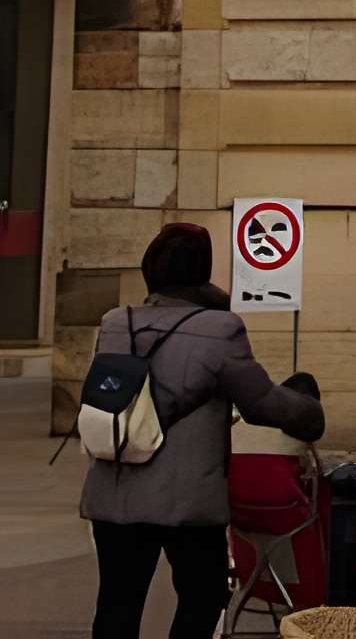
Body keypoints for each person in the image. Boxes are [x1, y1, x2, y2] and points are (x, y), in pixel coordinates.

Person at [81, 221, 325, 639]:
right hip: (186, 499)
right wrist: (309, 411)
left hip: (116, 489)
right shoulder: (220, 329)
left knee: (118, 603)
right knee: (204, 595)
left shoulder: (116, 323)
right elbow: (261, 403)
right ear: (202, 271)